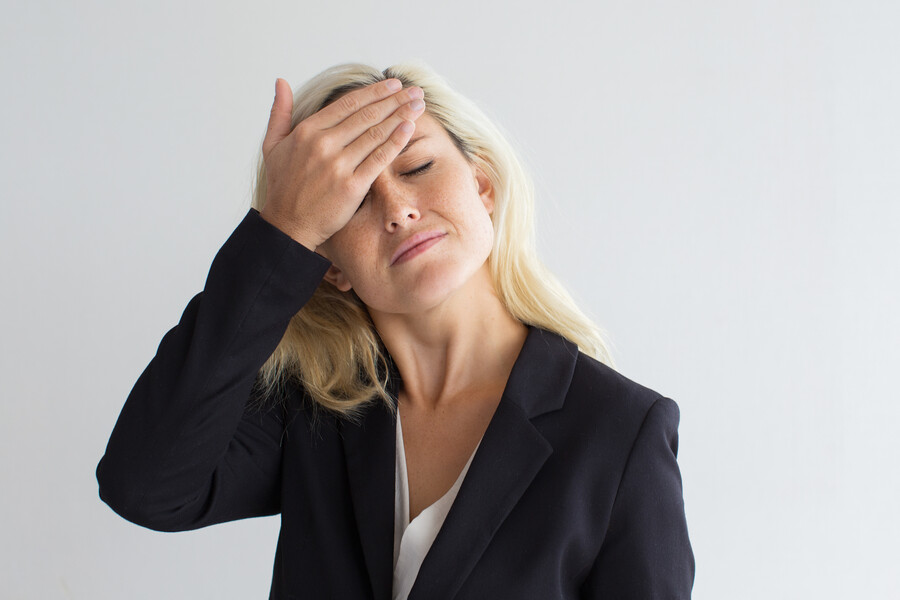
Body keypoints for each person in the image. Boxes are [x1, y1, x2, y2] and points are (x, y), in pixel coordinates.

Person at [97, 61, 694, 599]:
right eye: (354, 200)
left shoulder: (620, 432)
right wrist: (279, 229)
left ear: (482, 186)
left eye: (418, 166)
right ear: (328, 264)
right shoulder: (310, 410)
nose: (398, 209)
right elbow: (145, 487)